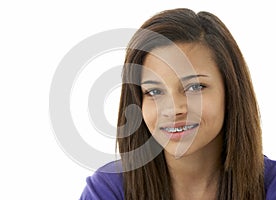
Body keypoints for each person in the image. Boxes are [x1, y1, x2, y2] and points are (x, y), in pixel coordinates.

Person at [80, 8, 276, 199]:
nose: (174, 109)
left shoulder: (270, 185)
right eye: (154, 91)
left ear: (231, 91)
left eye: (195, 87)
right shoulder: (107, 189)